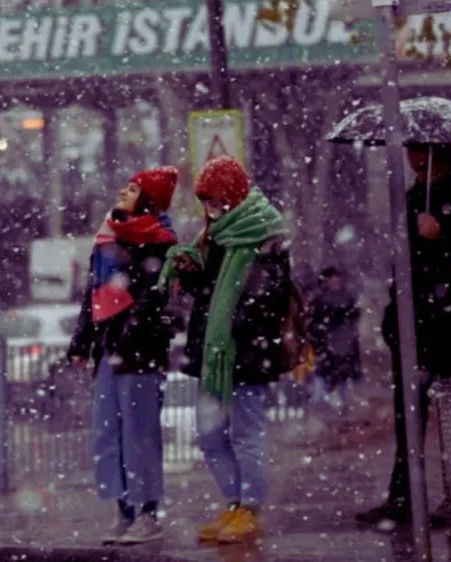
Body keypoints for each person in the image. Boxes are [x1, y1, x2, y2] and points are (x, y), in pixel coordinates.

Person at [355, 145, 451, 531]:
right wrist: (394, 318)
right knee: (409, 414)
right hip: (416, 325)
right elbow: (403, 265)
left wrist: (443, 236)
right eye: (409, 151)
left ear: (438, 151)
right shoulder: (411, 198)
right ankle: (404, 498)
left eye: (419, 151)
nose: (412, 159)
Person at [158, 156, 292, 544]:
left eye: (215, 199)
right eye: (205, 201)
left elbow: (270, 297)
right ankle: (234, 504)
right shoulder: (216, 235)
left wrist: (236, 317)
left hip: (247, 354)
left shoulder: (263, 234)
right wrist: (190, 272)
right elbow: (209, 292)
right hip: (214, 354)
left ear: (232, 195)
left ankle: (250, 508)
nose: (210, 209)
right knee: (210, 433)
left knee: (246, 433)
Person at [68, 166, 179, 546]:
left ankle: (147, 511)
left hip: (141, 352)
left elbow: (157, 296)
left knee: (140, 432)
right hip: (108, 351)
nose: (122, 191)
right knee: (107, 432)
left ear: (148, 199)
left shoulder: (159, 241)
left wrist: (134, 324)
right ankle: (123, 509)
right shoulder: (106, 237)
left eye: (132, 189)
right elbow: (93, 294)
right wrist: (81, 343)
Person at [308, 267, 362, 409]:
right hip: (327, 343)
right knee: (325, 376)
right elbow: (315, 322)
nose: (336, 283)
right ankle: (326, 405)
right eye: (333, 280)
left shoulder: (347, 298)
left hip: (343, 344)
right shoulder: (320, 300)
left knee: (342, 377)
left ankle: (340, 405)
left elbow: (353, 316)